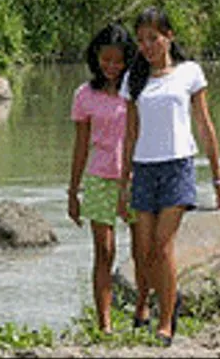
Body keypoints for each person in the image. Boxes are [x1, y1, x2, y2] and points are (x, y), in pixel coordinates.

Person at [117, 6, 220, 347]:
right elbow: (130, 134)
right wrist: (124, 184)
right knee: (146, 250)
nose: (147, 46)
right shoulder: (132, 81)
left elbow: (205, 127)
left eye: (153, 38)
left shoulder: (190, 73)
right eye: (141, 41)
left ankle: (165, 322)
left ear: (169, 37)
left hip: (178, 168)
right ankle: (170, 299)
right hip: (144, 171)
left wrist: (218, 179)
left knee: (163, 246)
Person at [67, 22, 141, 335]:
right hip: (99, 178)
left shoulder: (137, 92)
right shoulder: (85, 95)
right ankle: (105, 324)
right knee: (104, 252)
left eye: (118, 61)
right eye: (105, 60)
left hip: (136, 177)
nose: (111, 67)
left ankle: (143, 312)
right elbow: (81, 145)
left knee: (142, 251)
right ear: (96, 57)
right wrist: (73, 191)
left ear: (128, 60)